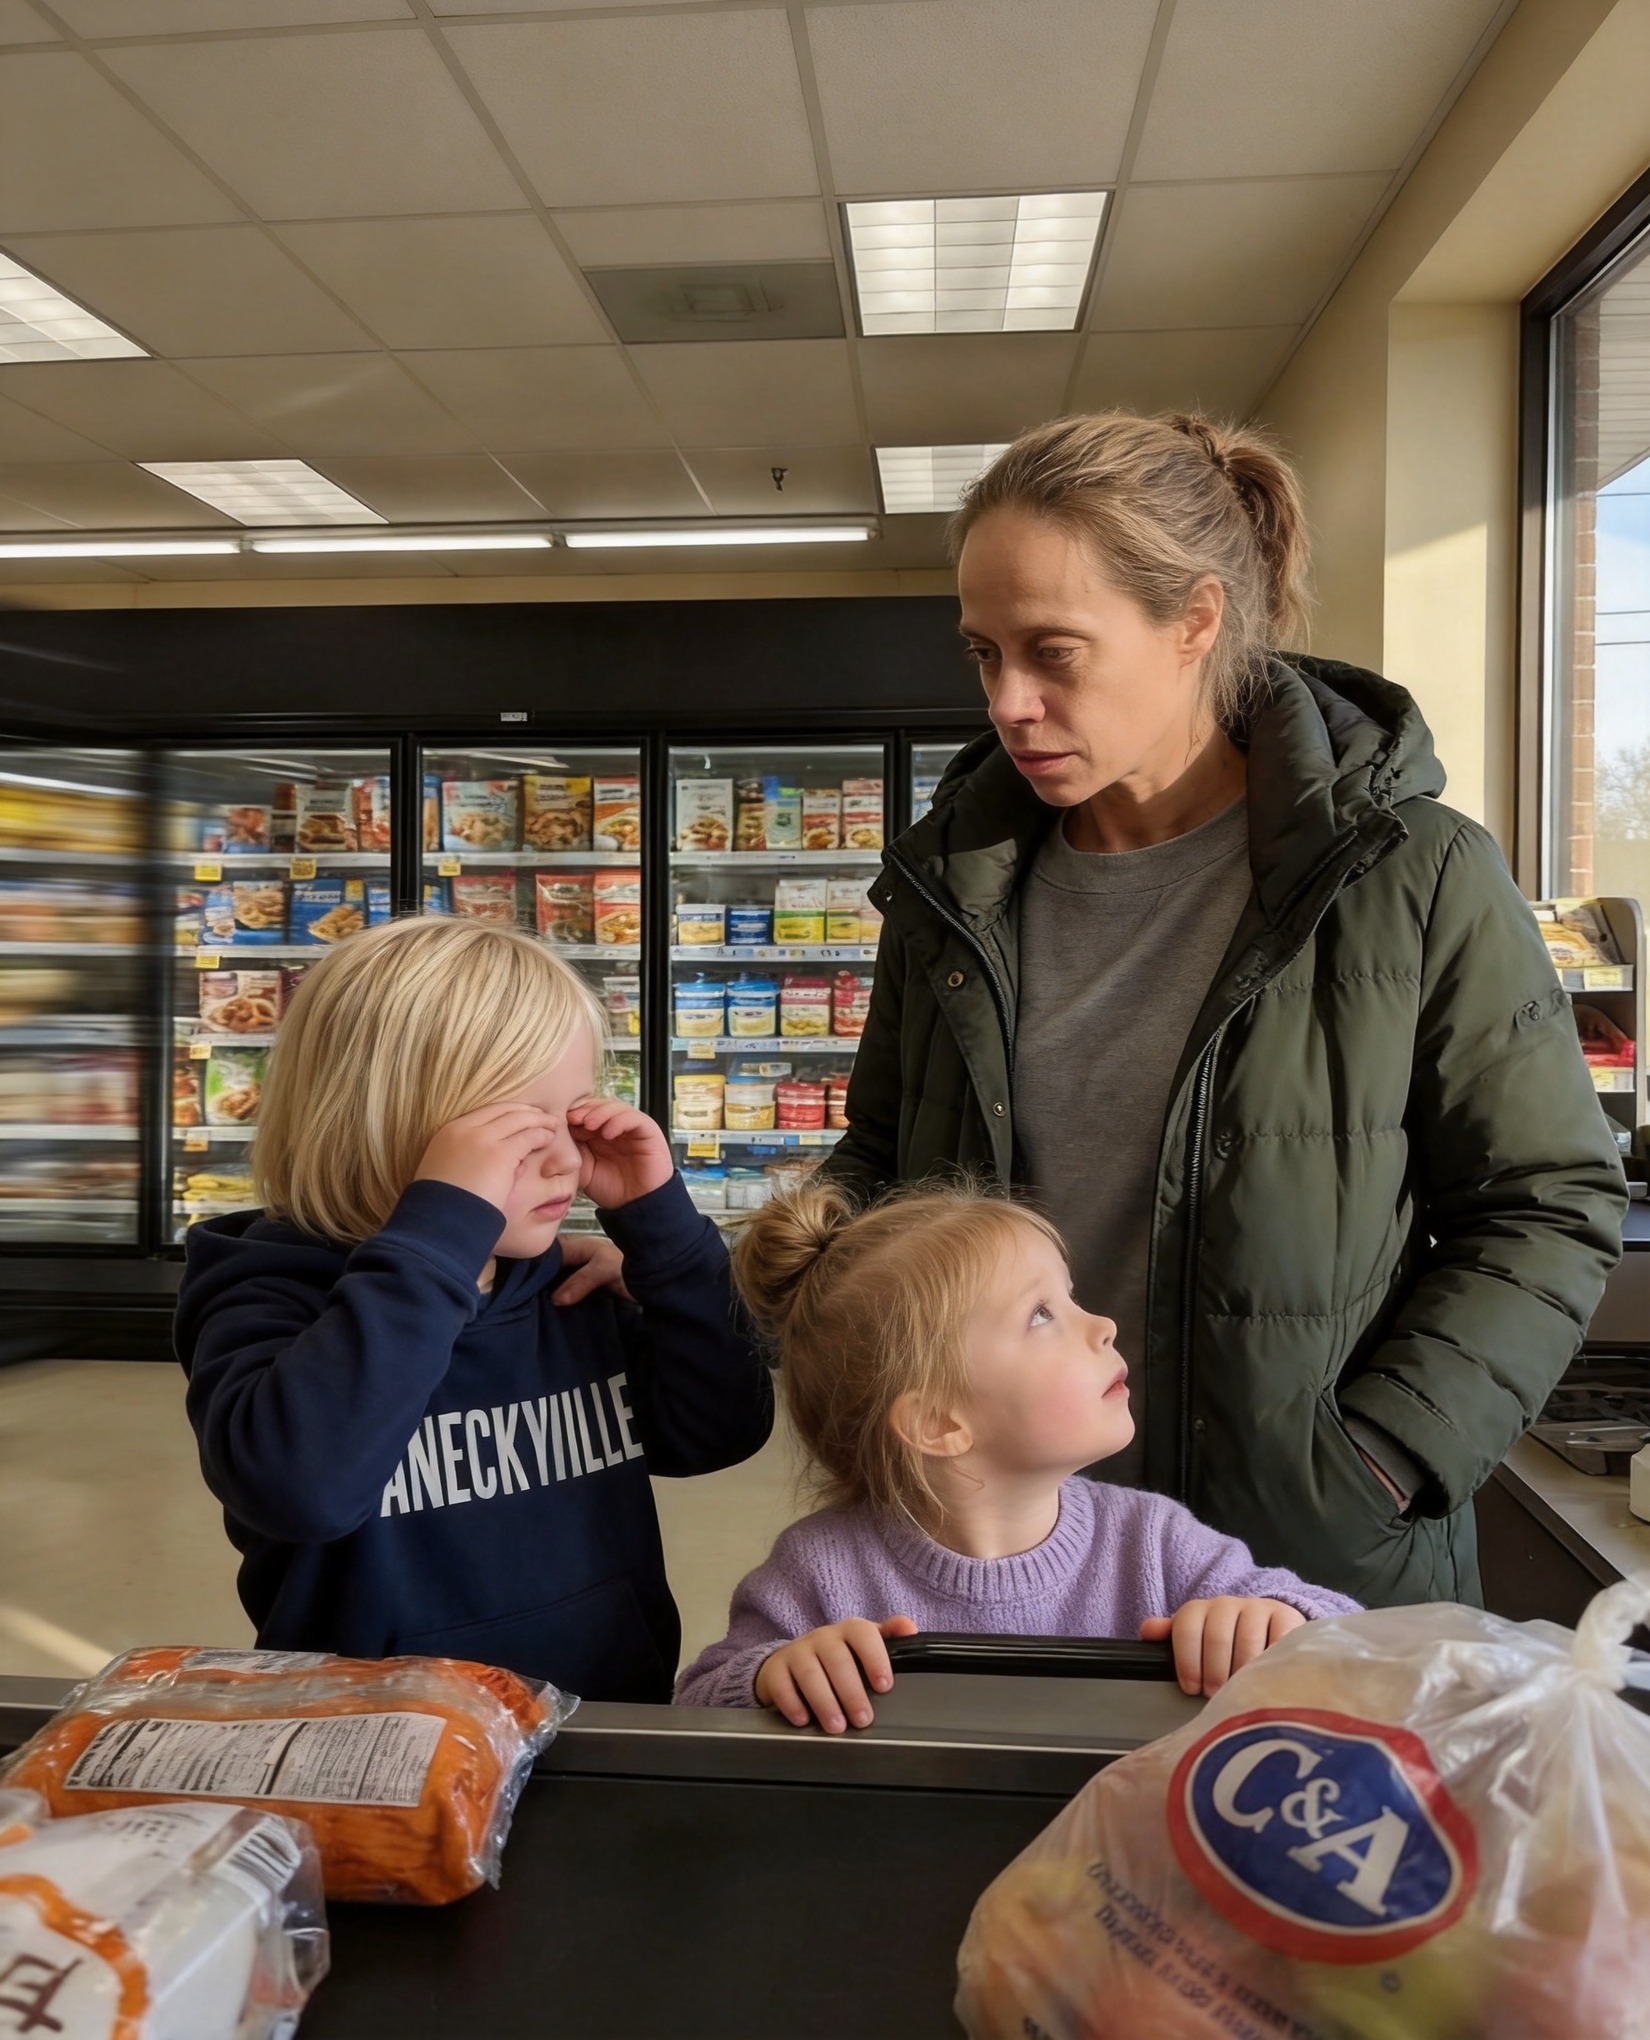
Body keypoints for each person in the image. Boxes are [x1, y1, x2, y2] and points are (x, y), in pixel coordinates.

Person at [823, 411, 1626, 1610]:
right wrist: (687, 1262)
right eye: (984, 653)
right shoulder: (955, 884)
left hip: (1294, 1570)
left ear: (1195, 620)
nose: (1009, 701)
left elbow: (1547, 1200)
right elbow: (887, 1170)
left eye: (1054, 650)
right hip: (992, 1556)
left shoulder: (1411, 873)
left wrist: (1381, 1454)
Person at [175, 915, 773, 1702]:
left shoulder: (561, 1287)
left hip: (604, 1716)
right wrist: (442, 1234)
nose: (566, 1158)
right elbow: (301, 1487)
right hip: (379, 1744)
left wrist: (666, 1247)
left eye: (575, 1114)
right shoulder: (268, 1291)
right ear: (380, 1118)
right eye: (518, 1130)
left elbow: (718, 1432)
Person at [676, 1182, 1359, 1728]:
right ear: (939, 1422)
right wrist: (773, 1677)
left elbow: (1352, 1644)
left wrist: (1276, 1619)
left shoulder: (1153, 1542)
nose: (1103, 1325)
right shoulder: (821, 1572)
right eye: (1042, 1314)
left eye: (1071, 1297)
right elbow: (698, 1703)